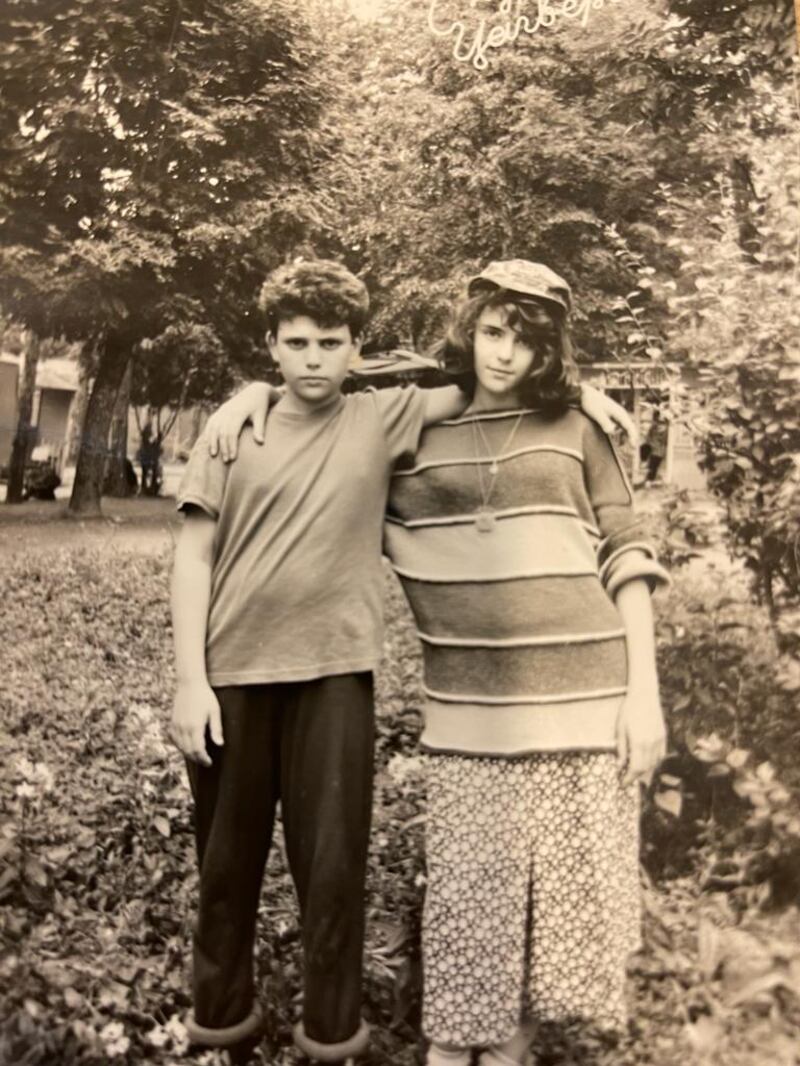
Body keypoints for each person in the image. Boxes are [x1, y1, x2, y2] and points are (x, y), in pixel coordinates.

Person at [195, 259, 635, 1064]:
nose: (315, 357)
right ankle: (248, 1034)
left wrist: (585, 395)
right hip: (334, 685)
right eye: (297, 342)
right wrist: (249, 393)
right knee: (245, 870)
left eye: (332, 342)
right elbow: (215, 543)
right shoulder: (304, 429)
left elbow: (490, 390)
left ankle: (418, 1040)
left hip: (454, 678)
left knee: (360, 877)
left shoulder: (445, 420)